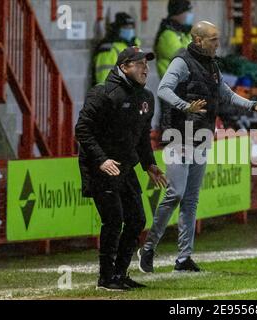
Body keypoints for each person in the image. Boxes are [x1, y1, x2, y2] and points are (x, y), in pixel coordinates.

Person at [138, 21, 257, 273]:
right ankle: (148, 248)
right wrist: (185, 106)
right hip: (178, 135)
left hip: (202, 134)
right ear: (197, 40)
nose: (218, 43)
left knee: (191, 199)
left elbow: (225, 93)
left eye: (217, 38)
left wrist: (253, 105)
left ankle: (183, 258)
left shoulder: (213, 64)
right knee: (176, 193)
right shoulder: (181, 62)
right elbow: (163, 89)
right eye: (213, 39)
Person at [76, 47, 167, 291]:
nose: (145, 68)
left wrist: (149, 164)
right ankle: (106, 278)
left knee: (137, 219)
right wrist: (101, 160)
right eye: (139, 64)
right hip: (101, 168)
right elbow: (82, 130)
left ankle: (119, 273)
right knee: (114, 220)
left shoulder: (146, 97)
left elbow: (142, 137)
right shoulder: (103, 94)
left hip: (125, 167)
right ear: (125, 67)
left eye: (146, 64)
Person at [153, 0, 194, 145]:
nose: (190, 15)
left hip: (183, 89)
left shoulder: (182, 33)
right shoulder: (167, 35)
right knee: (170, 129)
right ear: (178, 14)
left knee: (184, 128)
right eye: (187, 12)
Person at [93, 13, 142, 85]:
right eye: (126, 27)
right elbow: (104, 78)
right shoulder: (109, 49)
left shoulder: (134, 47)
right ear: (118, 29)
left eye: (131, 27)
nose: (129, 30)